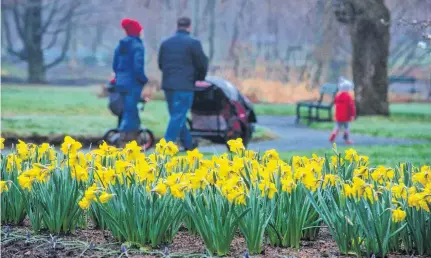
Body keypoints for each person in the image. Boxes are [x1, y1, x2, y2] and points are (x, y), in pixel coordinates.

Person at [158, 17, 209, 150]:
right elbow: (202, 64)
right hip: (185, 85)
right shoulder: (194, 43)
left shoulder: (166, 43)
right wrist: (199, 78)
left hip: (168, 85)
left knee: (176, 116)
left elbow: (161, 64)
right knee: (178, 116)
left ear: (177, 26)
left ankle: (188, 144)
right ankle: (166, 145)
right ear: (189, 27)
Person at [112, 18, 148, 145]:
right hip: (133, 83)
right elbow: (138, 67)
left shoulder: (120, 45)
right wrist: (144, 79)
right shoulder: (138, 46)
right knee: (131, 110)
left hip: (120, 82)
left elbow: (115, 65)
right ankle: (125, 137)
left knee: (126, 110)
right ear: (137, 31)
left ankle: (128, 135)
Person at [329, 77, 356, 144]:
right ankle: (346, 139)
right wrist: (352, 115)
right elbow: (351, 107)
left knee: (337, 126)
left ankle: (333, 135)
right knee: (347, 127)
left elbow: (335, 105)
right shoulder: (348, 97)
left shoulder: (338, 96)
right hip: (346, 116)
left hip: (338, 115)